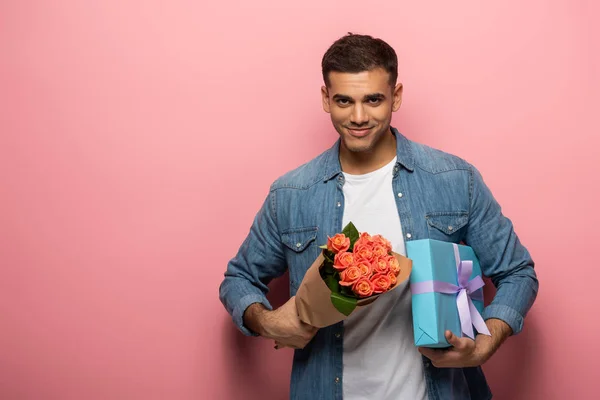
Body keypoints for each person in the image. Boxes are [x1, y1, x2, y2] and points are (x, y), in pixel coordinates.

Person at [218, 33, 538, 400]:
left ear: (396, 96)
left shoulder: (454, 179)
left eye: (373, 100)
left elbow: (517, 273)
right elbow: (238, 280)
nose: (358, 117)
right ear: (326, 99)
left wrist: (484, 345)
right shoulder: (291, 194)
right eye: (343, 101)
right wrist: (267, 320)